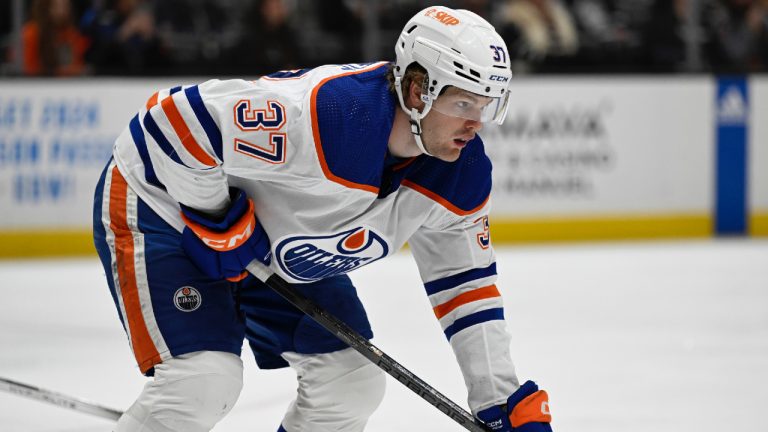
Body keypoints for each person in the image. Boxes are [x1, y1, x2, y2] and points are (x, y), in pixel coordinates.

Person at [92, 5, 553, 432]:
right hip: (164, 202)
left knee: (351, 382)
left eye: (487, 104)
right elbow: (170, 121)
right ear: (417, 90)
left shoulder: (460, 173)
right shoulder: (327, 115)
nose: (477, 124)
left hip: (273, 241)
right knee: (202, 382)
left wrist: (499, 399)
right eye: (463, 104)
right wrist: (215, 215)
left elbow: (465, 285)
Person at [21, 0, 90, 76]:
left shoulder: (71, 33)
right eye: (58, 6)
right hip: (39, 84)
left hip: (68, 84)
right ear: (46, 7)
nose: (63, 10)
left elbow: (76, 64)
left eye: (66, 6)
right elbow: (29, 70)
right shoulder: (31, 33)